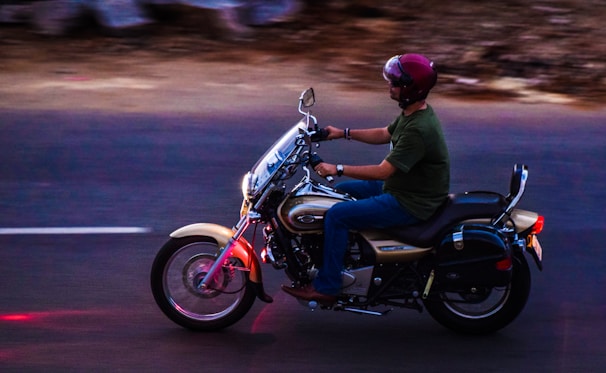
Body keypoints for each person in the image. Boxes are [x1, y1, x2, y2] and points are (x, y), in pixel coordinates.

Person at [281, 53, 450, 304]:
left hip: (412, 202)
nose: (389, 86)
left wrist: (335, 167)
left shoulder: (418, 129)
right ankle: (349, 257)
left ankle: (327, 286)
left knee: (337, 215)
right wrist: (340, 133)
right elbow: (385, 133)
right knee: (343, 192)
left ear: (409, 89)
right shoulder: (414, 113)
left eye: (394, 82)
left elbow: (383, 171)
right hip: (404, 188)